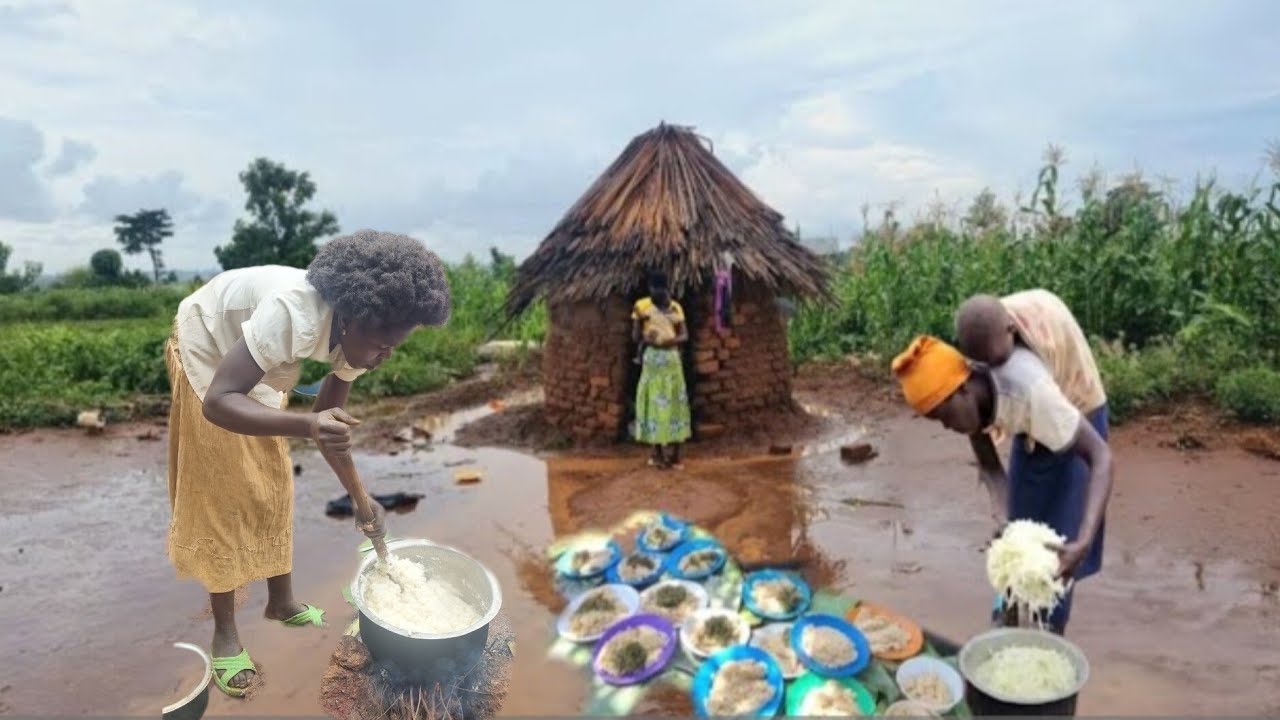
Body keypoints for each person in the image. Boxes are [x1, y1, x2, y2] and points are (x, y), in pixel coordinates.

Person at [166, 229, 451, 696]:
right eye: (382, 344)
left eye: (394, 346)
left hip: (256, 357)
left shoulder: (362, 333)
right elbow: (219, 402)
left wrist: (361, 500)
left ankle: (280, 602)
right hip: (210, 345)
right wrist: (306, 424)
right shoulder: (293, 315)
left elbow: (328, 425)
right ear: (350, 322)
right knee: (223, 492)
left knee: (274, 481)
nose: (386, 357)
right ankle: (225, 634)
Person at [891, 335, 1113, 635]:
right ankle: (1006, 619)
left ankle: (1049, 631)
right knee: (1019, 531)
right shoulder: (973, 398)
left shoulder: (1032, 393)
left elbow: (1101, 457)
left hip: (1078, 413)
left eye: (944, 416)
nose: (946, 426)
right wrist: (1003, 519)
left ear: (964, 390)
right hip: (1033, 421)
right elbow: (990, 467)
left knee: (1058, 552)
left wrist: (1084, 541)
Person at [631, 272, 691, 468]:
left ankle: (675, 455)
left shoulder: (676, 308)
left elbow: (684, 335)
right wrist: (642, 329)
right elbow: (635, 337)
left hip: (671, 360)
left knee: (675, 403)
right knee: (655, 405)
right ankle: (657, 453)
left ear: (667, 289)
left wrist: (669, 342)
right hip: (653, 363)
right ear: (650, 289)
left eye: (661, 290)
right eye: (655, 289)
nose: (657, 293)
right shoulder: (641, 307)